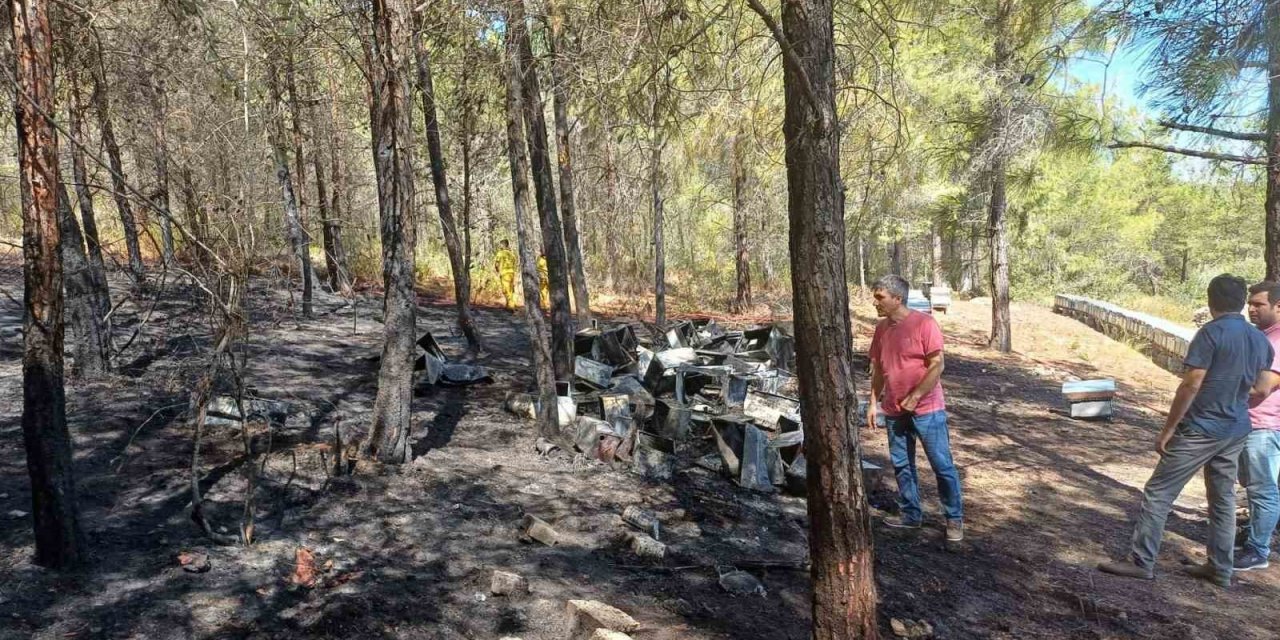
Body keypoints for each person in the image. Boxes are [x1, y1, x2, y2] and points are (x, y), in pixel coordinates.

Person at [1099, 274, 1274, 587]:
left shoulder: (1211, 333)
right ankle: (1221, 567)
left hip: (1202, 427)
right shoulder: (1260, 339)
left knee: (1158, 492)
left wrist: (1169, 428)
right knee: (1222, 500)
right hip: (1237, 429)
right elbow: (1261, 389)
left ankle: (1142, 561)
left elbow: (1192, 382)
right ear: (1238, 302)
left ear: (1211, 302)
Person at [867, 274, 965, 543]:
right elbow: (878, 369)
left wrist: (916, 395)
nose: (875, 302)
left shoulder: (925, 324)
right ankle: (911, 515)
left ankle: (954, 520)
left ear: (897, 298)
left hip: (928, 409)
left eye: (880, 297)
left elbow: (938, 365)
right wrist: (873, 402)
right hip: (894, 410)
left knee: (942, 465)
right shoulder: (881, 330)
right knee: (902, 465)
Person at [1235, 281, 1280, 571]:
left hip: (1263, 425)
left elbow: (1263, 388)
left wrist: (1220, 389)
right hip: (1252, 422)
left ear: (1278, 306)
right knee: (1254, 485)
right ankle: (1254, 534)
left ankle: (1258, 550)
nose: (1251, 309)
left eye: (1259, 304)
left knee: (1263, 488)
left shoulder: (1276, 341)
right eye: (1250, 303)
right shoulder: (1263, 336)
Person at [494, 240, 518, 312]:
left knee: (506, 290)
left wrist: (497, 269)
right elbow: (514, 264)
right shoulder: (512, 254)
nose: (500, 246)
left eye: (501, 245)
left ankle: (511, 307)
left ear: (503, 245)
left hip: (504, 273)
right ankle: (509, 305)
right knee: (511, 290)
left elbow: (497, 263)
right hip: (512, 273)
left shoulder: (500, 253)